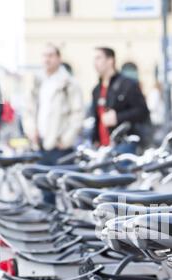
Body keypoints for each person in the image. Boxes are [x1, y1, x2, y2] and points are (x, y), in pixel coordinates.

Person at [23, 44, 84, 203]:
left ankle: (67, 224)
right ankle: (51, 224)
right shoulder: (37, 82)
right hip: (40, 144)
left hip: (60, 147)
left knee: (64, 191)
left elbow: (77, 113)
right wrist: (31, 131)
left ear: (59, 58)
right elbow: (29, 110)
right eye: (44, 55)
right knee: (45, 190)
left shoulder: (68, 83)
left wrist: (66, 139)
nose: (47, 59)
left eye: (50, 55)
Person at [90, 47, 151, 153]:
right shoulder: (96, 90)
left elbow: (142, 111)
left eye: (98, 58)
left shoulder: (127, 85)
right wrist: (95, 140)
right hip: (102, 149)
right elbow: (97, 119)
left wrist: (118, 117)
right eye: (94, 59)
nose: (95, 63)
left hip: (124, 145)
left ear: (110, 60)